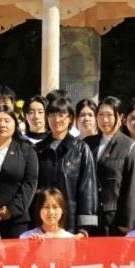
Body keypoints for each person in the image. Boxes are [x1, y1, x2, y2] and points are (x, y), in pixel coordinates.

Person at [34, 96, 98, 234]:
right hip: (43, 221)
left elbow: (88, 188)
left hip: (71, 221)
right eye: (52, 115)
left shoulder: (81, 149)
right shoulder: (38, 149)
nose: (56, 119)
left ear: (70, 118)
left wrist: (84, 227)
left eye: (62, 115)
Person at [0, 104, 38, 238]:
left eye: (7, 121)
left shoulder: (26, 149)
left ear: (15, 124)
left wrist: (12, 209)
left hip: (17, 220)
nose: (2, 125)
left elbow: (30, 182)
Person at [85, 96, 135, 236]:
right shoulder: (88, 143)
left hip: (114, 218)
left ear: (120, 117)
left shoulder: (129, 146)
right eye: (101, 115)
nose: (105, 120)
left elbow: (132, 187)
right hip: (89, 216)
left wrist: (128, 222)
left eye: (109, 115)